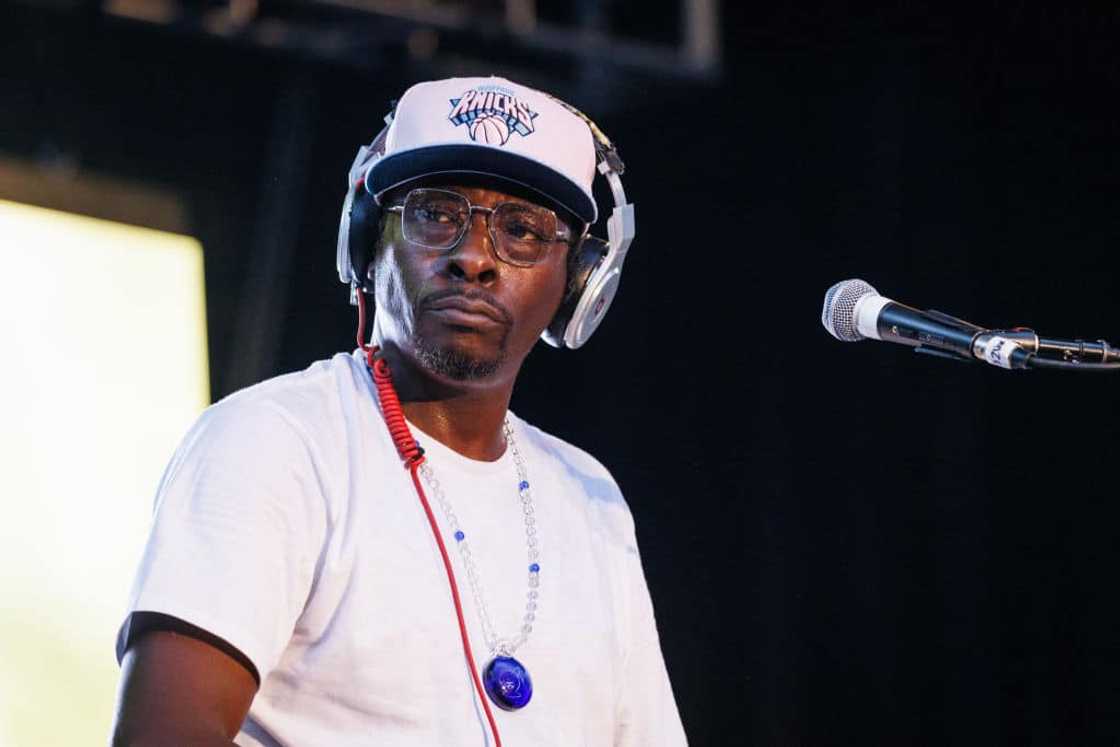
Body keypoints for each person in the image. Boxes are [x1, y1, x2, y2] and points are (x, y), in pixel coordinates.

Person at [111, 75, 687, 746]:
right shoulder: (272, 442)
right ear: (366, 239)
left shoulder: (591, 500)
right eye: (437, 214)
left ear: (580, 282)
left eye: (523, 230)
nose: (474, 258)